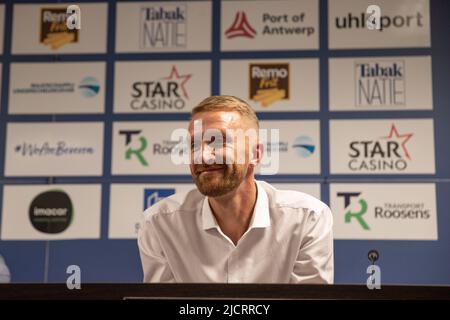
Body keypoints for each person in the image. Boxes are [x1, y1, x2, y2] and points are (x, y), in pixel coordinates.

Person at [138, 95, 333, 283]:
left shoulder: (308, 218)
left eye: (219, 141)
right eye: (194, 145)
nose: (203, 156)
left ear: (256, 154)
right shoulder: (159, 224)